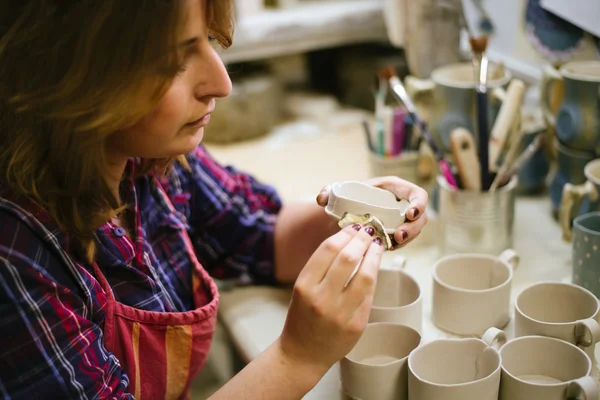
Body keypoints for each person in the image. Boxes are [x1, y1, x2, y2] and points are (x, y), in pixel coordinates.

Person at [0, 1, 428, 399]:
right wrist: (297, 358)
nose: (220, 83)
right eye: (173, 61)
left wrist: (361, 213)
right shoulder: (17, 253)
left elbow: (257, 237)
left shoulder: (152, 158)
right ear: (71, 73)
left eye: (209, 40)